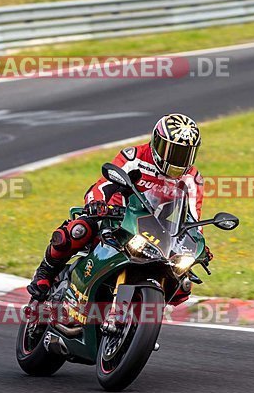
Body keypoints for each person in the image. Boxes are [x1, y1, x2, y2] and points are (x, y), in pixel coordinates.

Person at [26, 113, 211, 304]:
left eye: (184, 153)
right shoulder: (134, 157)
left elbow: (193, 220)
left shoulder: (192, 179)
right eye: (172, 151)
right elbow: (102, 185)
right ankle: (45, 272)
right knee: (79, 230)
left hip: (157, 232)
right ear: (157, 142)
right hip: (115, 217)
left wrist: (198, 246)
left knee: (182, 286)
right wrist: (96, 204)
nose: (177, 159)